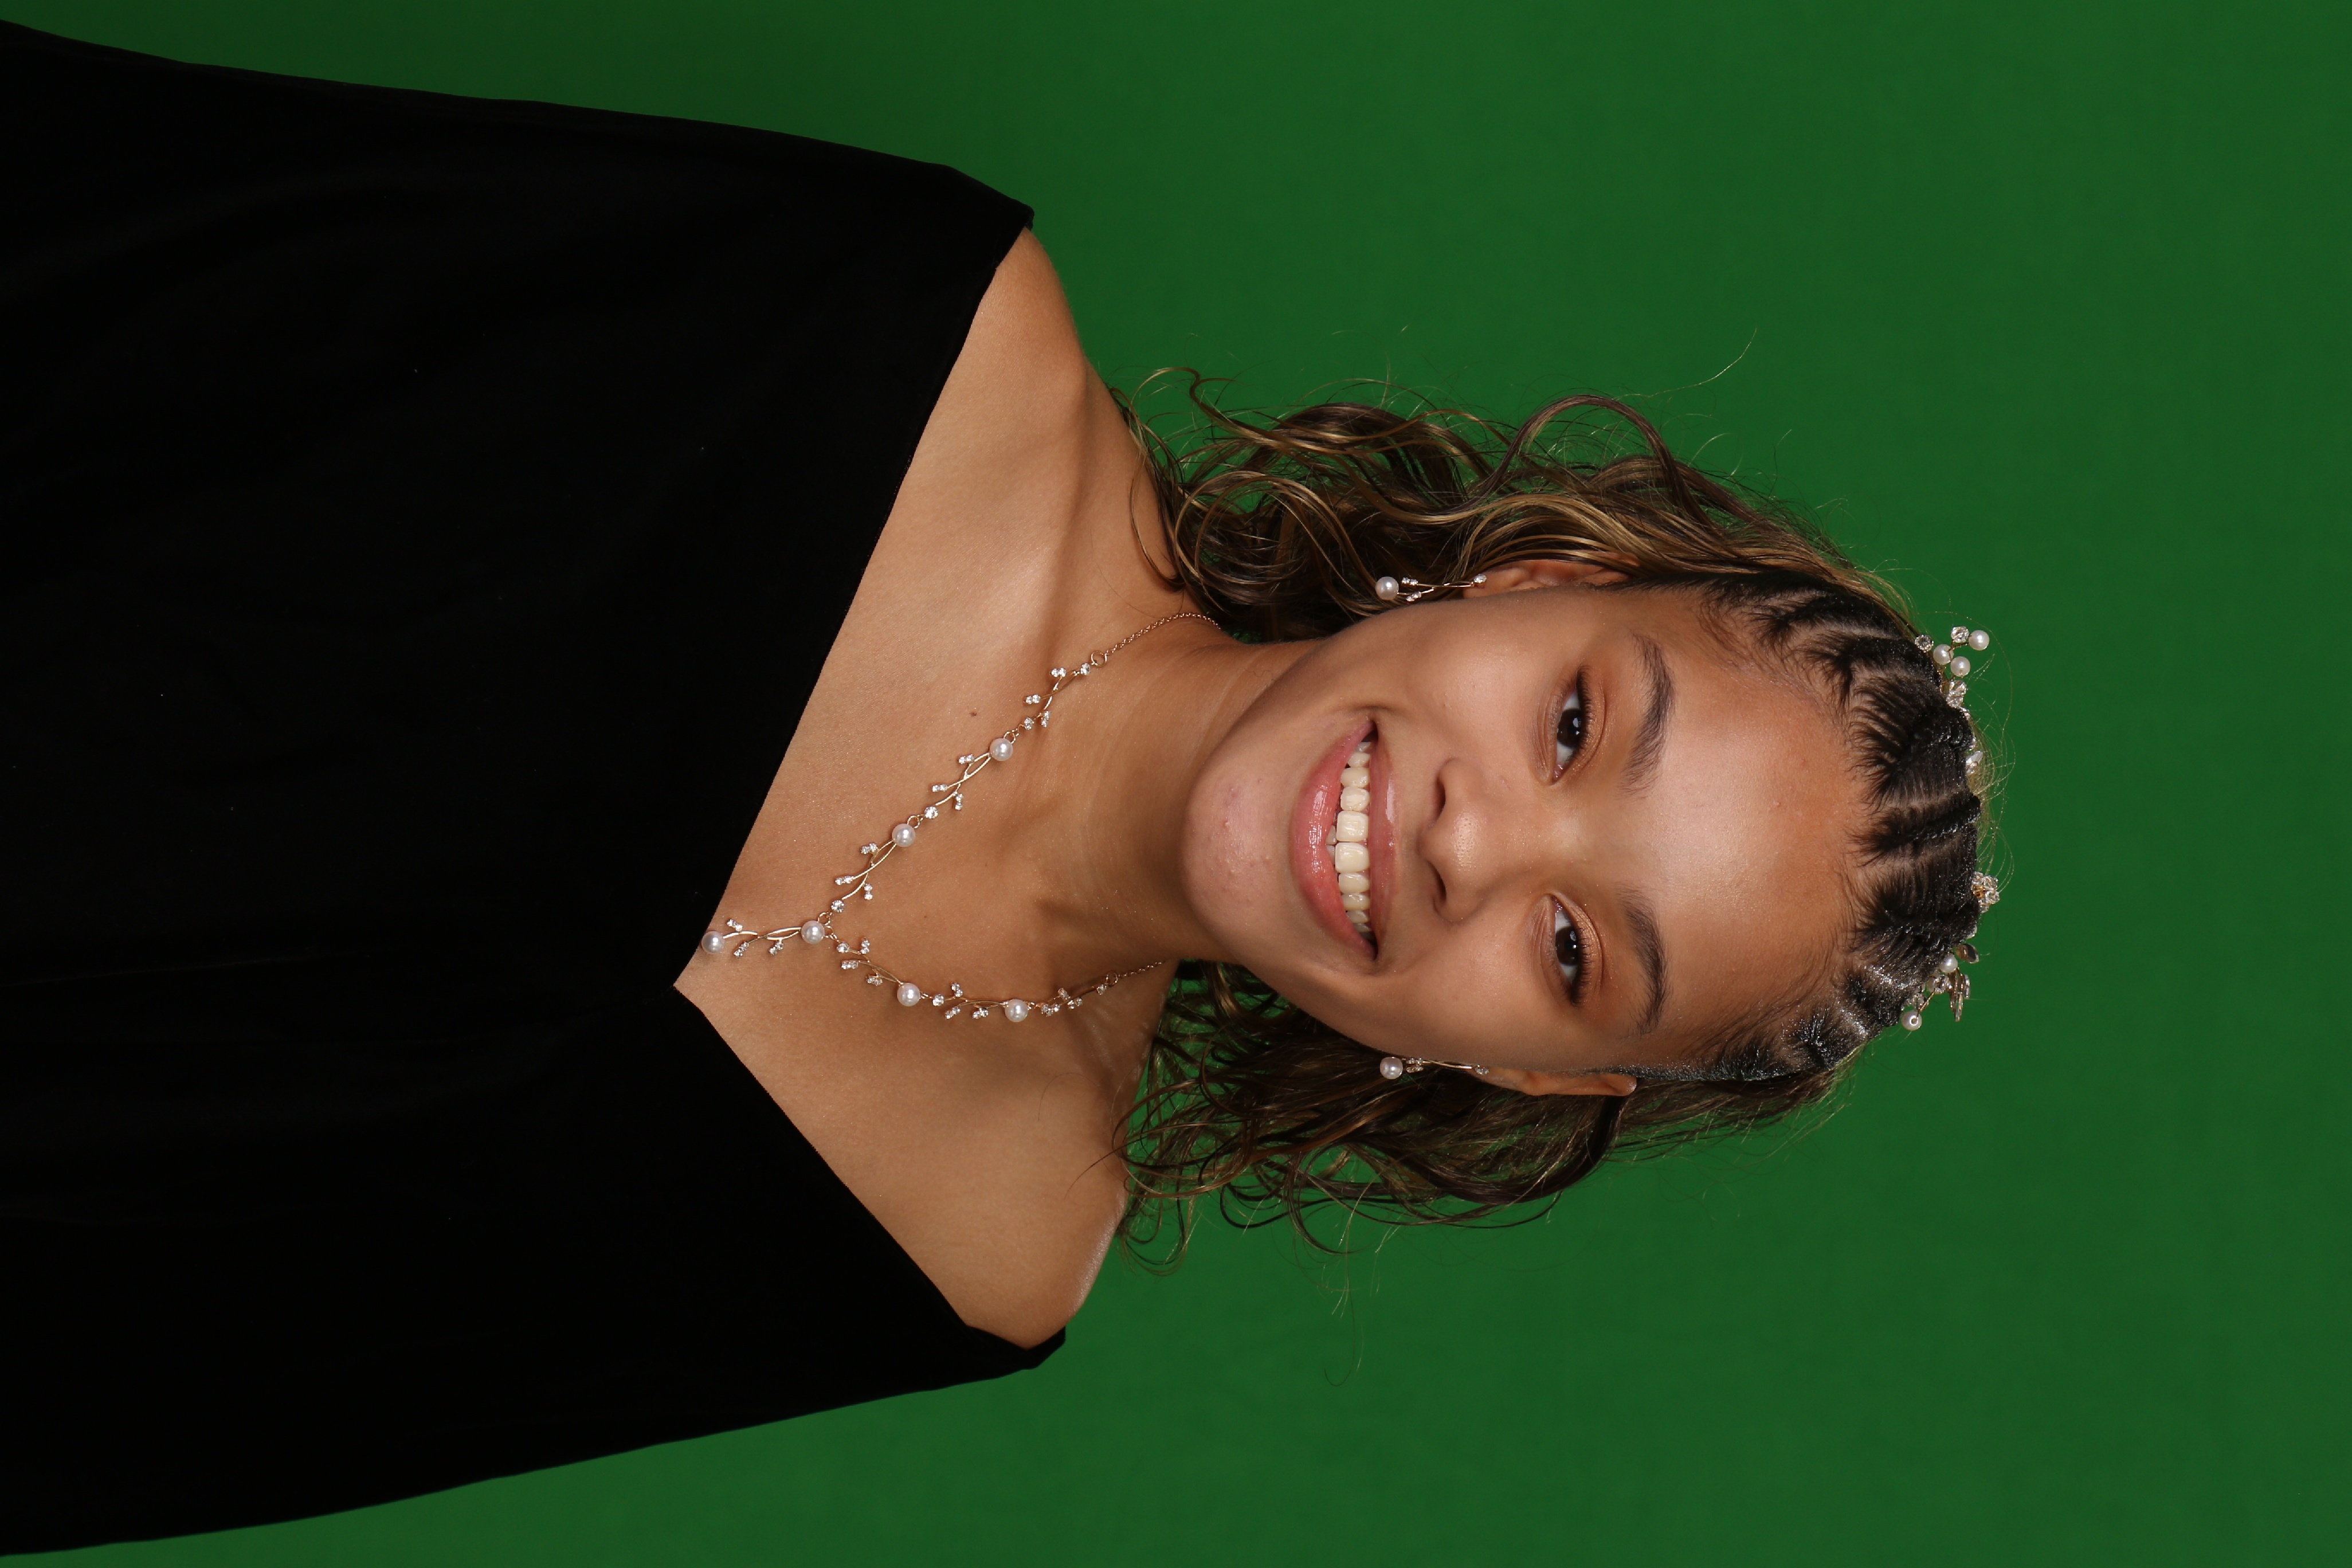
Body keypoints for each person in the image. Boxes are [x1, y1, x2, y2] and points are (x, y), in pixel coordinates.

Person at [0, 18, 2000, 1554]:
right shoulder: (895, 329)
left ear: (1532, 1074)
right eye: (1575, 723)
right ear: (1539, 578)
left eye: (1575, 953)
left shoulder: (972, 1254)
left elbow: (156, 1403)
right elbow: (108, 237)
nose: (1479, 840)